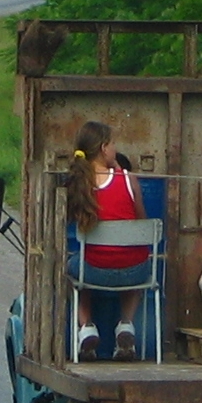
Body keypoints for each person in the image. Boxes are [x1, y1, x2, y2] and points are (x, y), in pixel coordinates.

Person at [65, 120, 149, 361]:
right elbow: (142, 224)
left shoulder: (79, 183)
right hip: (134, 273)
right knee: (136, 256)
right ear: (104, 148)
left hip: (94, 272)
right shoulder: (128, 179)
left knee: (75, 267)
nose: (115, 149)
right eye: (113, 144)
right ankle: (125, 325)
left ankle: (87, 327)